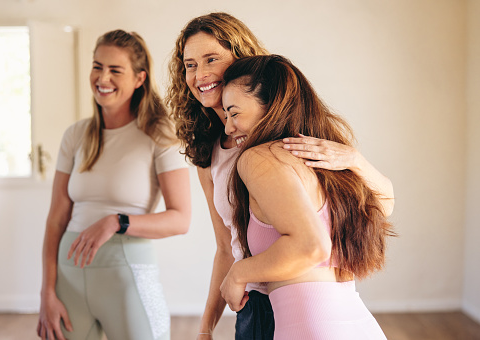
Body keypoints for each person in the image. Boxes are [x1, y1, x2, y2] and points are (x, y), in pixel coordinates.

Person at [166, 12, 394, 340]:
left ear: (240, 58)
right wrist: (205, 328)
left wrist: (355, 159)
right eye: (189, 64)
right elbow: (225, 246)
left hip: (313, 299)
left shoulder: (291, 135)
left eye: (210, 59)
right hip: (256, 304)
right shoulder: (209, 152)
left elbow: (379, 202)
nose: (200, 74)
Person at [219, 54, 395, 339]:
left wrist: (238, 273)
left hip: (311, 328)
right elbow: (385, 204)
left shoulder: (258, 158)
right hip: (360, 324)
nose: (228, 127)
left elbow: (311, 247)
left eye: (234, 113)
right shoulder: (321, 160)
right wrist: (356, 161)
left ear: (271, 106)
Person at [36, 30, 191, 340]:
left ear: (139, 79)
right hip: (68, 279)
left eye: (115, 69)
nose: (102, 77)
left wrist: (116, 222)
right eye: (97, 66)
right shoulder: (76, 135)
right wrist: (46, 293)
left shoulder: (158, 134)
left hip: (126, 277)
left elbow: (180, 219)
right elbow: (56, 218)